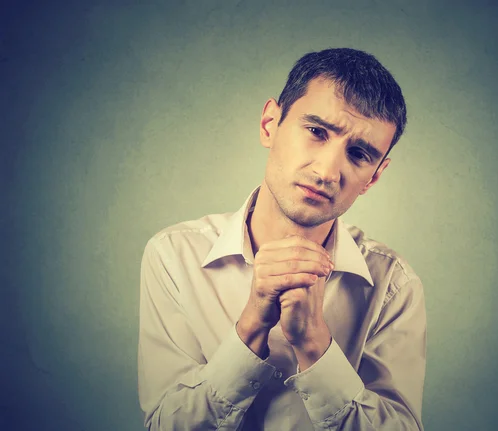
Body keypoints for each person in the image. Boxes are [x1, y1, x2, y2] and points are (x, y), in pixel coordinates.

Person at [137, 47, 427, 431]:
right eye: (316, 132)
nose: (327, 171)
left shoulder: (393, 286)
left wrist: (315, 345)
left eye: (358, 154)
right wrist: (251, 327)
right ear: (270, 124)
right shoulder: (175, 256)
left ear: (373, 176)